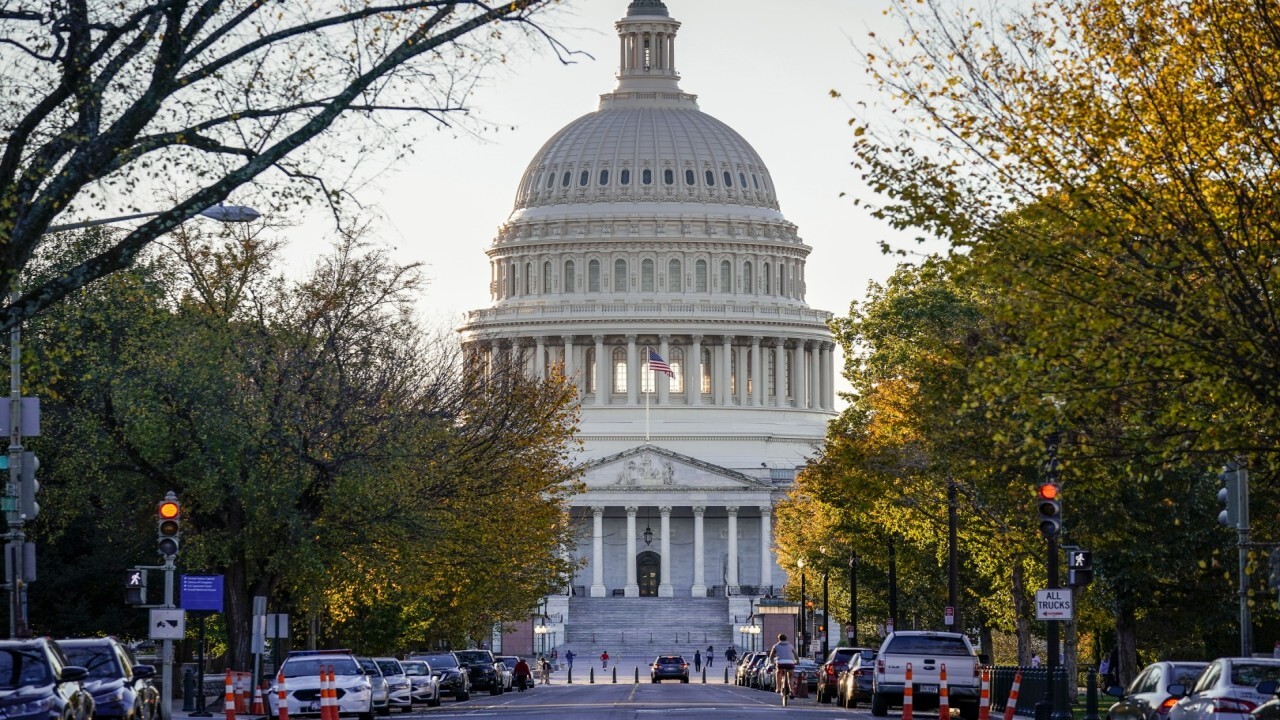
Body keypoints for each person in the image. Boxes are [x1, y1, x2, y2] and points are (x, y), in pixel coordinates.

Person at [768, 634, 797, 699]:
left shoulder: (776, 646)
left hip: (780, 663)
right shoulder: (790, 646)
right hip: (790, 663)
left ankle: (778, 688)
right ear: (786, 639)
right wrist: (797, 661)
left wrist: (771, 661)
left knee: (778, 673)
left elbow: (771, 656)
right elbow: (796, 655)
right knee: (791, 676)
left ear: (779, 639)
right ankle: (791, 690)